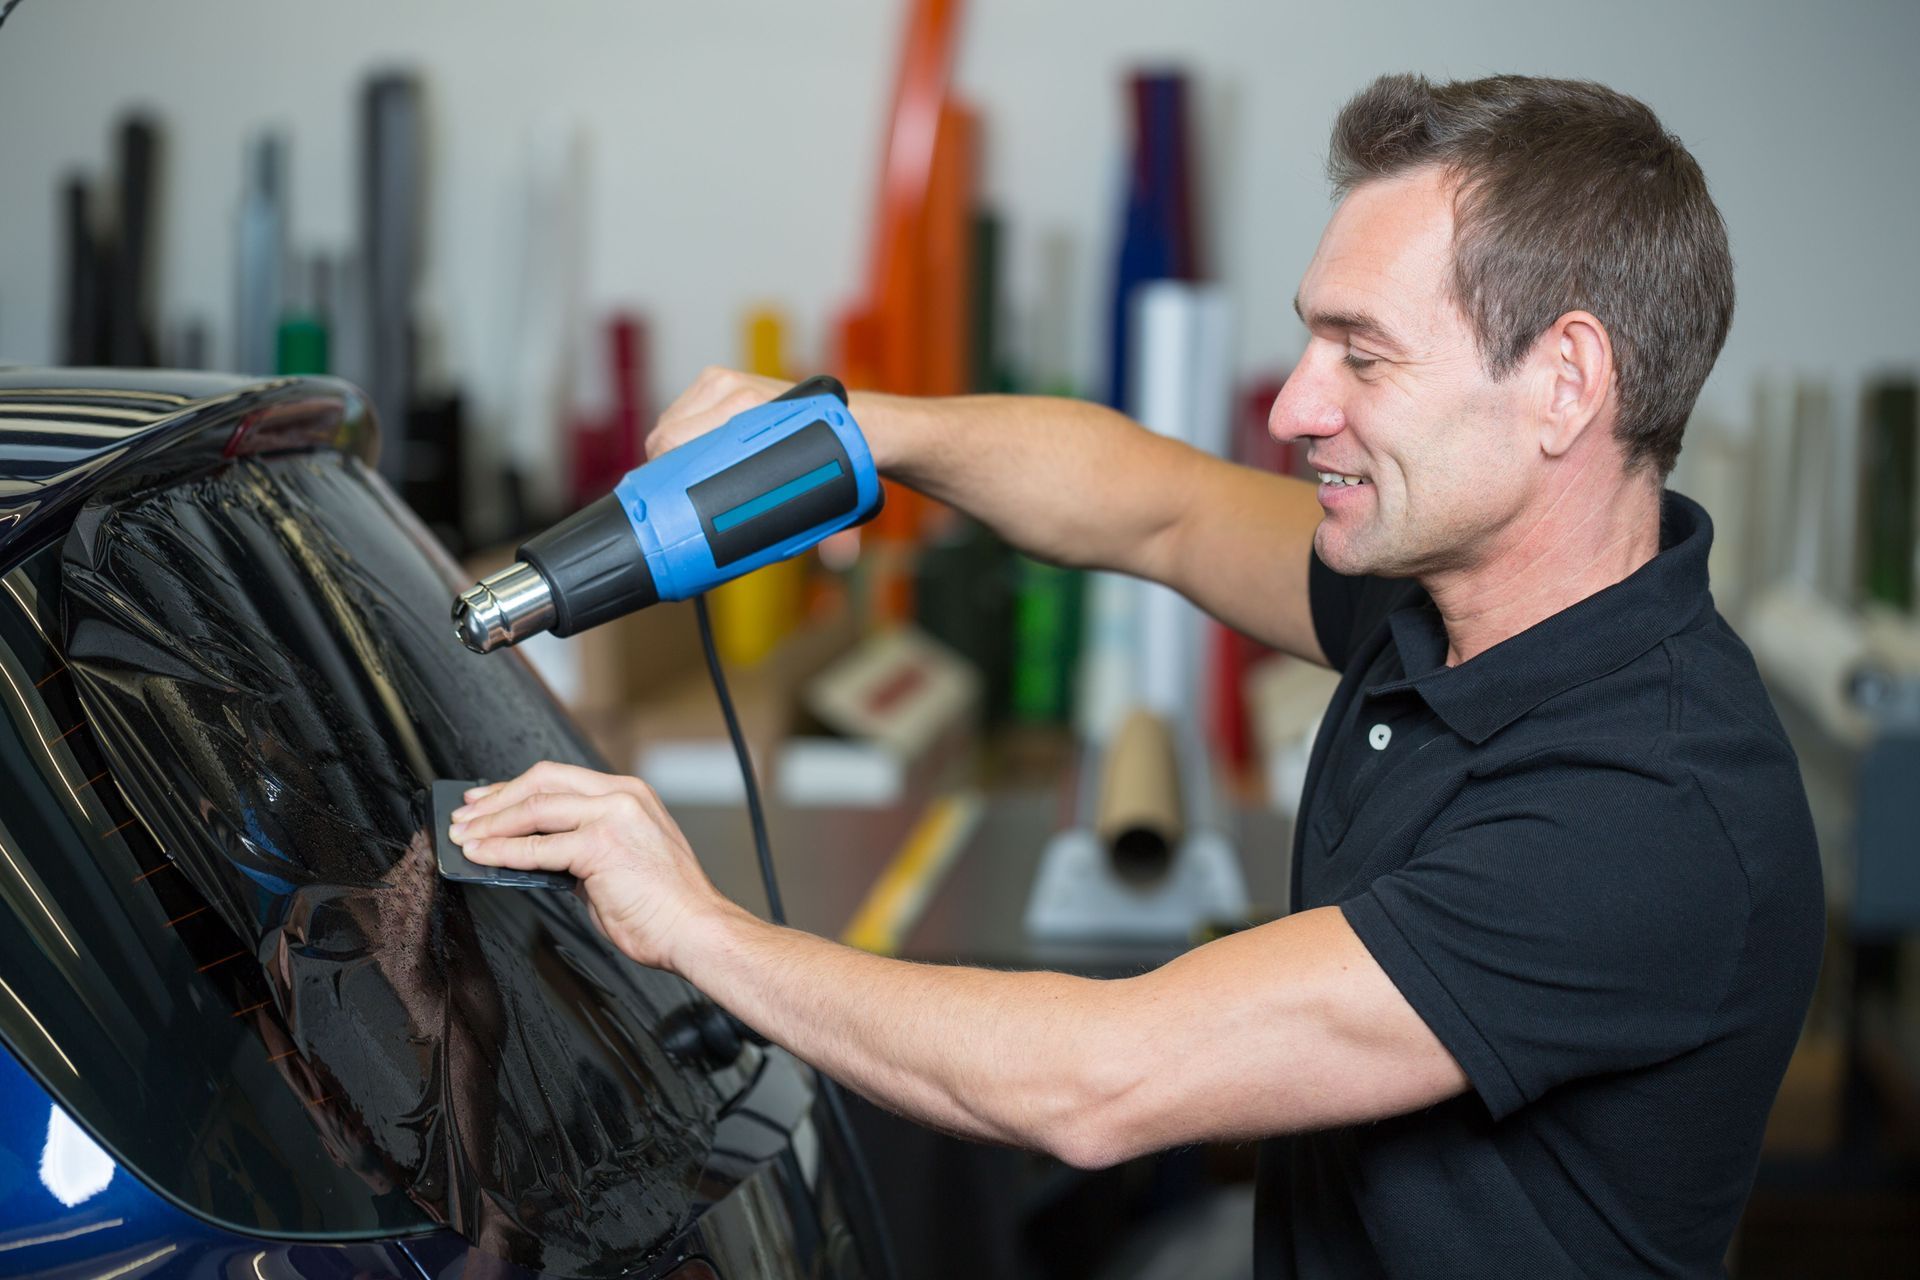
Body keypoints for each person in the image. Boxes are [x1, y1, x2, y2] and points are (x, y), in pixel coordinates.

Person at [449, 73, 1824, 1278]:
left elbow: (1097, 1082)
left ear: (1566, 381)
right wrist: (853, 429)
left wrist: (696, 927)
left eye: (1365, 354)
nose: (1295, 406)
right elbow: (1150, 504)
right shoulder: (1442, 603)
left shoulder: (1647, 809)